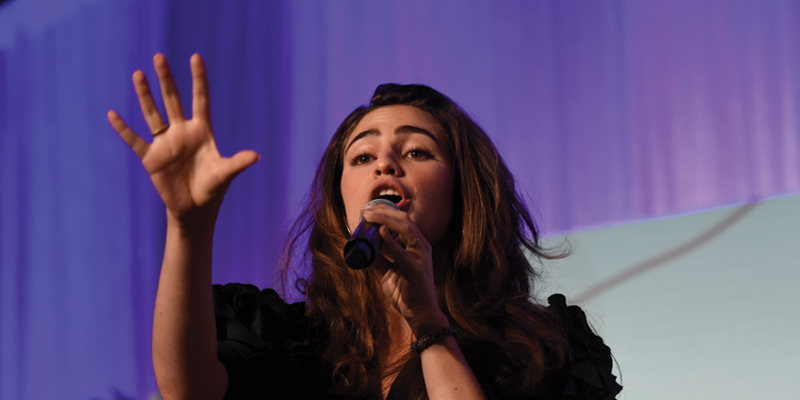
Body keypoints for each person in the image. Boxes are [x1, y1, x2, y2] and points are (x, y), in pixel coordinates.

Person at [107, 53, 622, 400]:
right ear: (339, 199)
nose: (385, 163)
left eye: (416, 151)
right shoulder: (295, 343)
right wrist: (187, 225)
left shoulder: (542, 352)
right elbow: (188, 390)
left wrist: (428, 324)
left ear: (464, 190)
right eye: (361, 156)